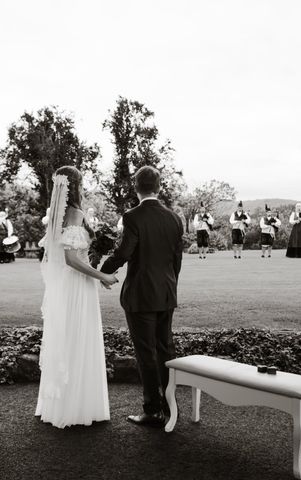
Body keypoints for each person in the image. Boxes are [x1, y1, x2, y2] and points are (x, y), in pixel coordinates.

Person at [36, 166, 118, 428]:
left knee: (68, 339)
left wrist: (94, 268)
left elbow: (67, 256)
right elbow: (72, 259)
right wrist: (101, 276)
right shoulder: (75, 212)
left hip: (66, 285)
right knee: (79, 338)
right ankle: (78, 408)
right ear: (75, 185)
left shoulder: (55, 217)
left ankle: (61, 404)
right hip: (78, 286)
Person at [101, 165, 183, 427]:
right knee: (165, 350)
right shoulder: (174, 218)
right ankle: (170, 408)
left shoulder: (132, 216)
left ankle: (152, 410)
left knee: (145, 352)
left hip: (141, 296)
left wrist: (102, 271)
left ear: (136, 187)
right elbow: (176, 261)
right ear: (158, 188)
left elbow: (124, 253)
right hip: (166, 293)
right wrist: (170, 286)